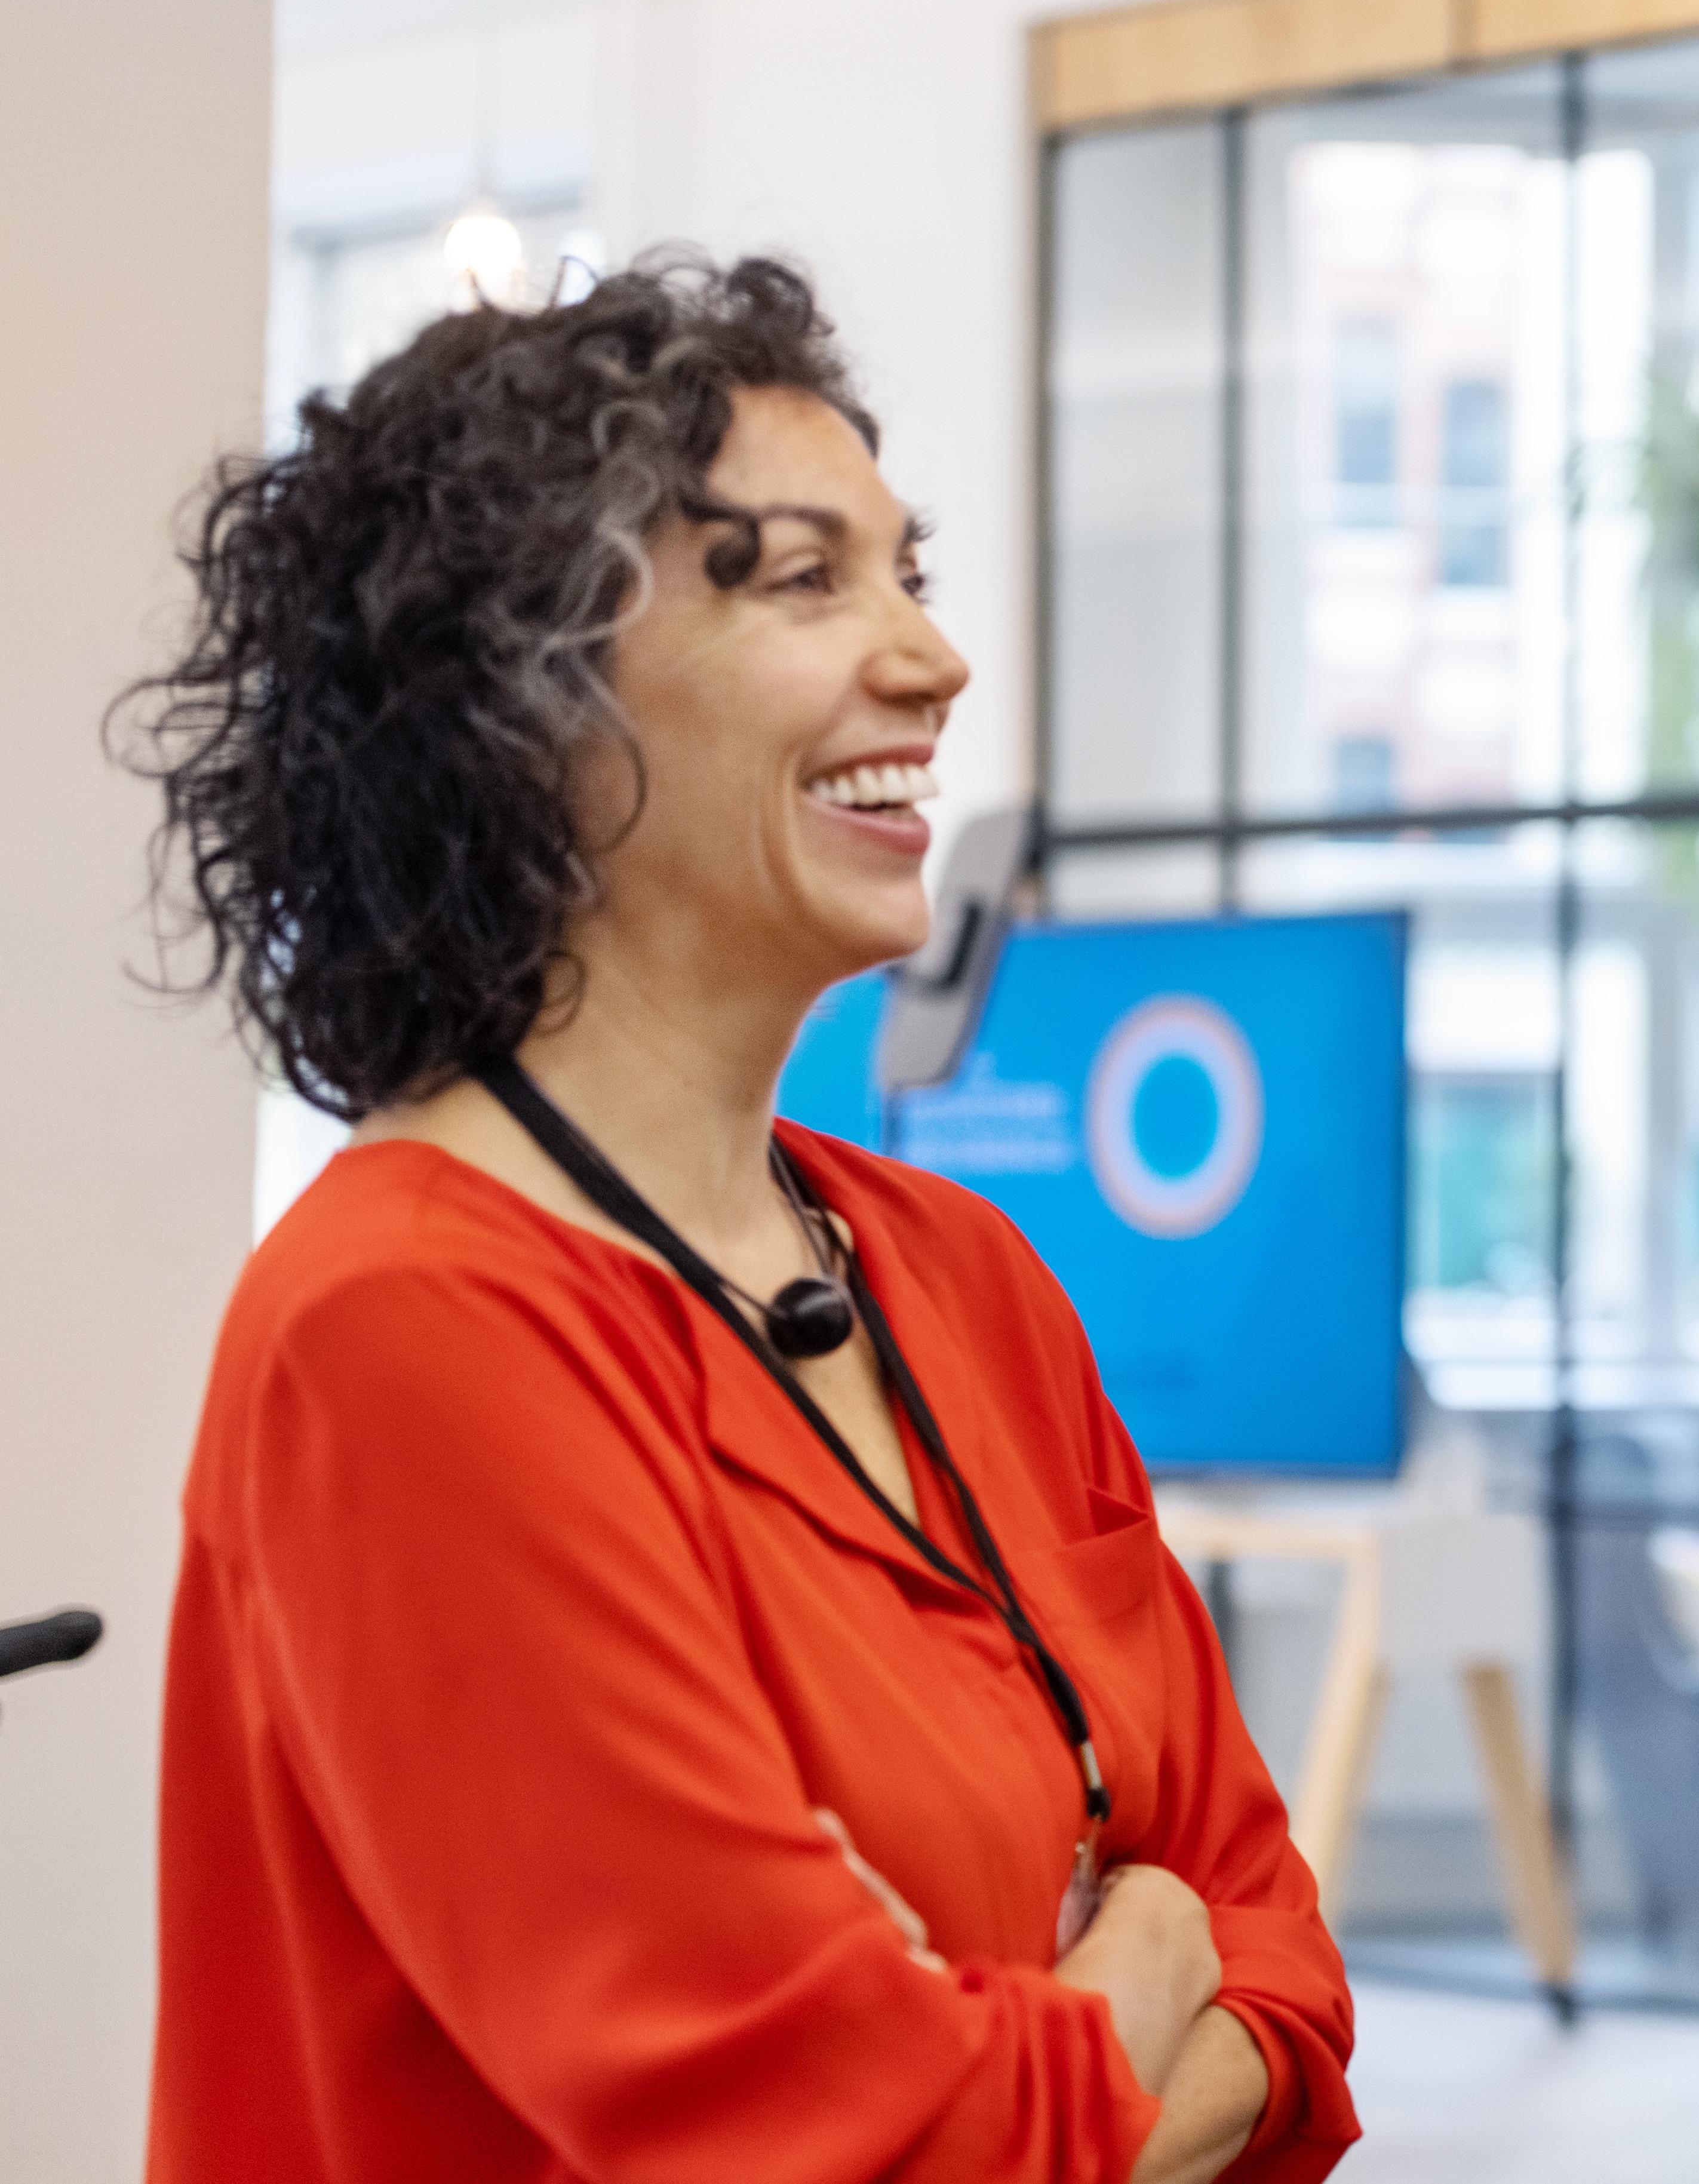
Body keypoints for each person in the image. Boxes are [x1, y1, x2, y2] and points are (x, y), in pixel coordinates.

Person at [135, 257, 1357, 2184]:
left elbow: (1289, 1970)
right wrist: (1148, 1949)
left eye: (908, 569)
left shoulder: (967, 1279)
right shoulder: (402, 1326)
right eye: (804, 580)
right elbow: (858, 2138)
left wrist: (1075, 2029)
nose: (935, 661)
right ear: (521, 703)